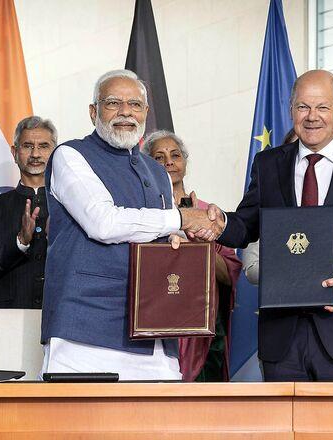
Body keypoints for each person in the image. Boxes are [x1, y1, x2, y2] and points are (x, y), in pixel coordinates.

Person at [203, 69, 333, 381]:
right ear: (291, 110)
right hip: (282, 337)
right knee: (283, 416)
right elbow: (247, 225)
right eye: (303, 107)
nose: (312, 117)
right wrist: (221, 223)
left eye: (322, 107)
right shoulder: (268, 164)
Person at [40, 69, 219, 380]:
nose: (125, 112)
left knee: (163, 413)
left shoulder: (158, 172)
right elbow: (103, 222)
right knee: (83, 414)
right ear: (93, 112)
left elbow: (161, 233)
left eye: (135, 104)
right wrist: (181, 218)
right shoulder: (69, 155)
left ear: (146, 113)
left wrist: (193, 230)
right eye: (113, 103)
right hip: (86, 330)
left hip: (156, 328)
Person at [146, 130, 242, 381]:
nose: (169, 162)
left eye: (175, 155)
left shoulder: (208, 214)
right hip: (155, 325)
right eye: (159, 157)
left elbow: (230, 274)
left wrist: (201, 246)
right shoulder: (142, 216)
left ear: (185, 163)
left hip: (202, 331)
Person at [0, 116, 57, 308]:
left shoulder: (68, 205)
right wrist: (19, 242)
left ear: (54, 153)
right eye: (28, 146)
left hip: (58, 315)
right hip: (9, 318)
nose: (35, 154)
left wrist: (59, 239)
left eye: (43, 146)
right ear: (14, 152)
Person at [241, 128, 298, 285]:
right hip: (280, 296)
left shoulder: (332, 198)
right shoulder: (267, 204)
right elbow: (252, 269)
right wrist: (296, 269)